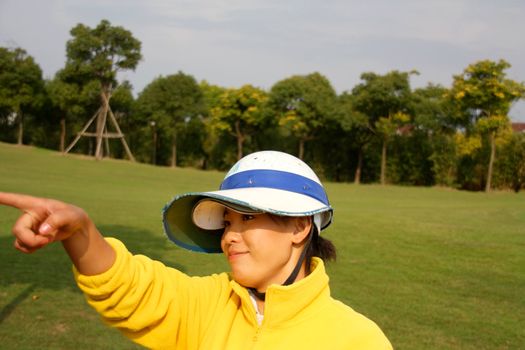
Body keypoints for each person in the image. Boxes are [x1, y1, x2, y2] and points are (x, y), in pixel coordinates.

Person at [1, 150, 392, 349]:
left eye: (248, 218)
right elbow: (131, 289)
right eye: (226, 223)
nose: (229, 237)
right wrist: (79, 230)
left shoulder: (357, 339)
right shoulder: (208, 303)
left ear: (300, 226)